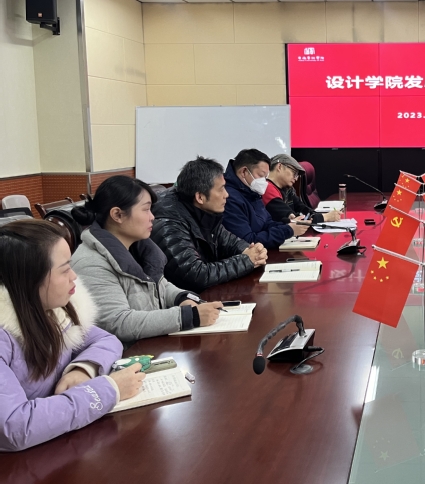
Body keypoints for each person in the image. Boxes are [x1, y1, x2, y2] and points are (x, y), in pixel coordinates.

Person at [0, 220, 145, 451]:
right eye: (65, 269)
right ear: (29, 279)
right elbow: (15, 427)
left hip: (55, 446)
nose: (74, 276)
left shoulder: (54, 311)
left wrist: (83, 369)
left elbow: (106, 339)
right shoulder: (5, 334)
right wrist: (109, 389)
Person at [70, 176, 224, 344]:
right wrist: (189, 316)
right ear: (117, 215)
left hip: (151, 345)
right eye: (146, 210)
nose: (152, 217)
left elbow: (161, 286)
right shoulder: (91, 263)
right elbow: (118, 322)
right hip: (127, 355)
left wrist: (182, 298)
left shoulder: (137, 247)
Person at [151, 157, 267, 292]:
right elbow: (195, 275)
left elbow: (228, 240)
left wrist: (251, 251)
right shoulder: (168, 224)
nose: (227, 194)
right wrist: (247, 260)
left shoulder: (203, 212)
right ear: (200, 197)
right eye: (221, 189)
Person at [222, 149, 308, 249]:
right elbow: (247, 242)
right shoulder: (229, 198)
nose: (264, 181)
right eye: (261, 175)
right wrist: (288, 230)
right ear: (244, 172)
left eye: (265, 177)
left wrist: (289, 224)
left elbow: (267, 222)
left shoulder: (252, 191)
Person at [263, 154, 341, 225]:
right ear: (279, 167)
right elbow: (294, 220)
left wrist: (317, 215)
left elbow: (303, 209)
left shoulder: (287, 188)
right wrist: (325, 217)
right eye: (294, 173)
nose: (296, 178)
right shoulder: (267, 189)